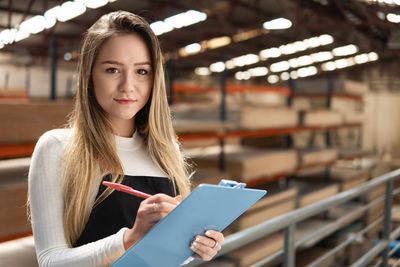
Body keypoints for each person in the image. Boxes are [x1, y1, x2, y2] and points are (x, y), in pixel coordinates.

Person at [28, 10, 224, 266]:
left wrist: (195, 247)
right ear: (89, 76)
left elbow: (168, 256)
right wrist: (129, 239)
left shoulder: (168, 152)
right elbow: (50, 261)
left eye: (142, 71)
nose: (128, 86)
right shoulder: (57, 147)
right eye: (112, 70)